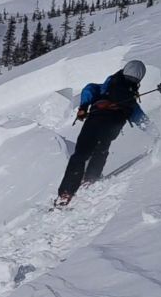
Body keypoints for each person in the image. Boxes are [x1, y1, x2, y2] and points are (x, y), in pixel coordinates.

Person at [55, 60, 150, 206]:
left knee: (80, 154)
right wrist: (156, 134)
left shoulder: (108, 85)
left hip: (95, 121)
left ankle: (66, 193)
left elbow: (89, 89)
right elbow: (141, 119)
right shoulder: (130, 98)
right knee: (102, 149)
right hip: (113, 127)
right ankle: (90, 178)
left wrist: (84, 107)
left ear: (124, 70)